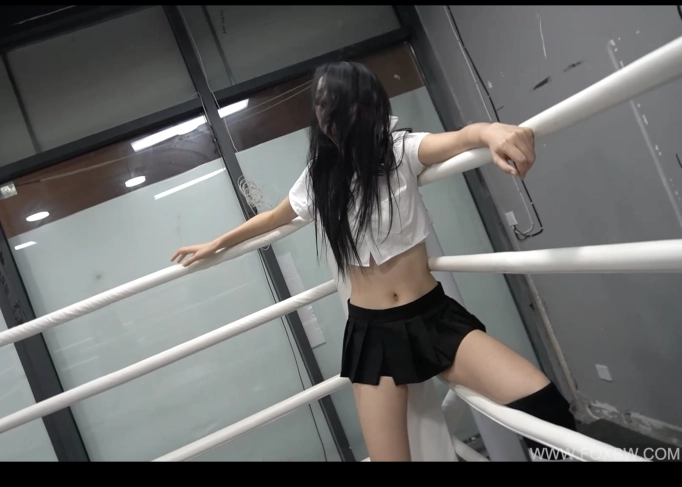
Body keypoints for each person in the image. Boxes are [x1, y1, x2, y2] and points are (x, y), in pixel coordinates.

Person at [171, 61, 576, 461]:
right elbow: (275, 217)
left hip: (433, 318)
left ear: (365, 104)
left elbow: (461, 138)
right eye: (321, 104)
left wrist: (493, 131)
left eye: (339, 102)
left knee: (545, 406)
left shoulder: (401, 150)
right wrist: (217, 243)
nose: (328, 114)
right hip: (372, 334)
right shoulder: (319, 177)